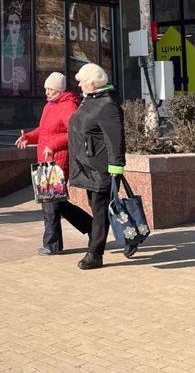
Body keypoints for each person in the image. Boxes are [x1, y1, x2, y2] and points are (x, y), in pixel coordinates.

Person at [16, 72, 92, 256]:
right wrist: (28, 137)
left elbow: (73, 133)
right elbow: (43, 130)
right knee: (57, 202)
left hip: (58, 161)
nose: (46, 92)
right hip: (45, 161)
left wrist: (53, 145)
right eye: (46, 89)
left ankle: (51, 245)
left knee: (50, 203)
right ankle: (92, 226)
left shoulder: (69, 106)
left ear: (59, 89)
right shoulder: (49, 105)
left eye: (50, 89)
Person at [67, 63, 127, 270]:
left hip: (101, 168)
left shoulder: (107, 105)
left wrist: (116, 167)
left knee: (100, 210)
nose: (79, 85)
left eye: (82, 81)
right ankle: (129, 236)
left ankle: (95, 253)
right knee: (98, 208)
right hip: (87, 166)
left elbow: (115, 139)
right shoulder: (90, 100)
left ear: (93, 83)